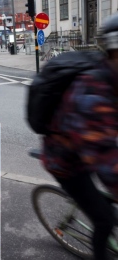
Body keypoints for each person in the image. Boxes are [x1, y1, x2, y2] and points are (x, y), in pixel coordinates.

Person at [41, 13, 118, 260]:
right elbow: (106, 162)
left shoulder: (111, 77)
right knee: (105, 219)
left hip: (89, 147)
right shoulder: (93, 94)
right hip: (66, 162)